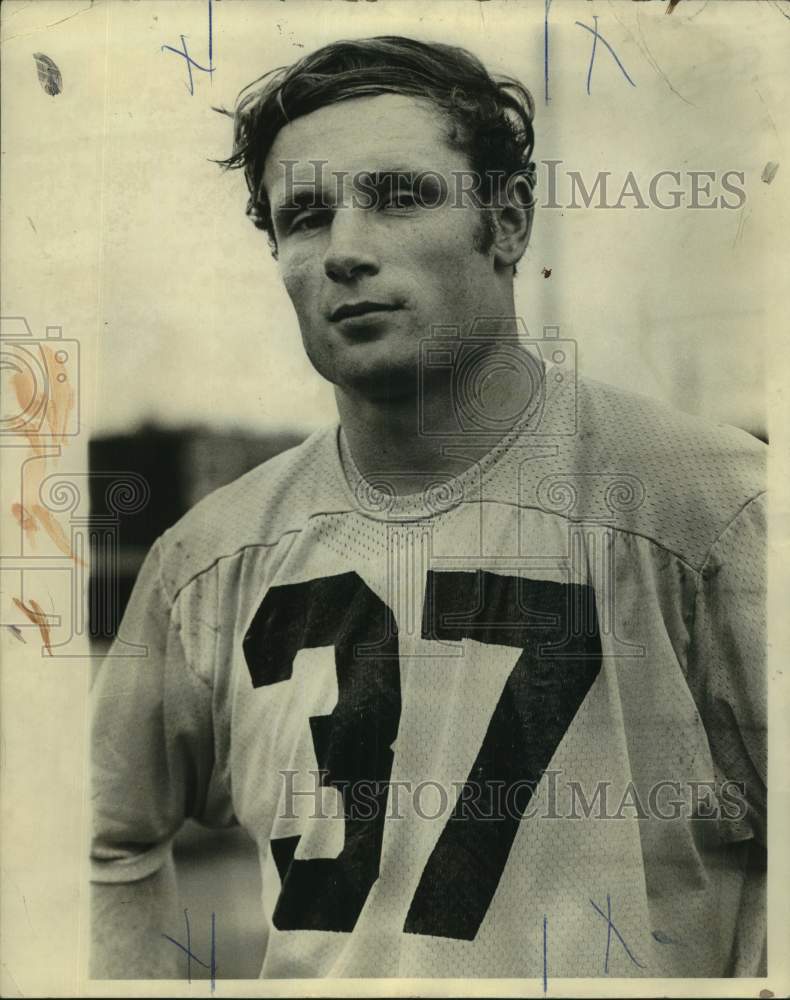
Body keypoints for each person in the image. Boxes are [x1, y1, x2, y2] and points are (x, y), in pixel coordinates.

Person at [90, 36, 767, 979]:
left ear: (509, 220)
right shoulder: (208, 556)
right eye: (307, 216)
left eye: (400, 197)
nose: (348, 252)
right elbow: (107, 841)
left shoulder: (718, 508)